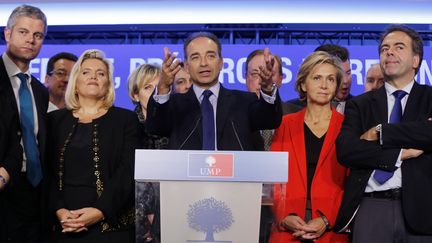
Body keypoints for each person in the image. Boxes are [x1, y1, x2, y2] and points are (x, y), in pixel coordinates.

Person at [334, 25, 432, 242]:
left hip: (423, 210)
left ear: (416, 61)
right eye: (385, 48)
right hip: (372, 207)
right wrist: (401, 153)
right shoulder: (360, 104)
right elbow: (347, 150)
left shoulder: (429, 98)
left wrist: (381, 132)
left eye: (399, 47)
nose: (389, 52)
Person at [48, 49, 139, 242]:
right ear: (75, 83)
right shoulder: (54, 121)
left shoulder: (126, 120)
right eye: (86, 72)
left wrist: (99, 211)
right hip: (63, 225)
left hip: (112, 228)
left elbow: (128, 171)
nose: (94, 77)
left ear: (108, 84)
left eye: (101, 73)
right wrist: (59, 210)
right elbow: (45, 171)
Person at [146, 32, 283, 151]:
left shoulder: (244, 102)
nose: (204, 63)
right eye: (195, 57)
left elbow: (270, 120)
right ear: (187, 67)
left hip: (236, 179)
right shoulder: (174, 105)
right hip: (185, 180)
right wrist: (163, 86)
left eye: (210, 56)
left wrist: (267, 88)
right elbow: (155, 128)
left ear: (221, 62)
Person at [269, 51, 348, 243]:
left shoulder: (348, 126)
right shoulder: (285, 124)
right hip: (288, 228)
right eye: (317, 78)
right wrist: (284, 216)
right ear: (303, 84)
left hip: (330, 228)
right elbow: (272, 177)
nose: (324, 85)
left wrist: (327, 219)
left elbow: (352, 182)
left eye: (330, 79)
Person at [0, 5, 49, 243]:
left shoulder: (40, 91)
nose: (31, 40)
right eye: (23, 32)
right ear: (7, 34)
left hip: (34, 193)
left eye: (38, 36)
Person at [127, 63, 167, 242]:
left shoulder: (177, 128)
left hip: (171, 213)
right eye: (147, 87)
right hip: (133, 218)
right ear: (135, 95)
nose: (154, 93)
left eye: (159, 87)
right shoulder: (126, 128)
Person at [288, 44, 352, 114]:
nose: (345, 81)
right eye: (317, 78)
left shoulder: (360, 107)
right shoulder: (290, 110)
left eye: (348, 73)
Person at [245, 49, 301, 115]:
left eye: (269, 74)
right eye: (255, 74)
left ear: (280, 79)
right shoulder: (233, 115)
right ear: (246, 78)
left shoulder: (298, 115)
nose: (262, 80)